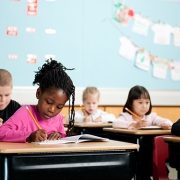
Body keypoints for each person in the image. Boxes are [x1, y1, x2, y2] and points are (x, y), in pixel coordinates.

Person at [0, 59, 75, 142]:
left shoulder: (58, 119)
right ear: (38, 93)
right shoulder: (25, 112)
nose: (52, 109)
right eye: (49, 102)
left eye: (59, 107)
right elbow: (1, 132)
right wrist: (29, 136)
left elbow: (63, 137)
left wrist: (59, 136)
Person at [112, 85, 172, 180]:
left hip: (149, 152)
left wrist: (164, 124)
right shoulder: (126, 116)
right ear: (131, 103)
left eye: (147, 102)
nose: (144, 106)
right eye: (140, 102)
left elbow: (168, 122)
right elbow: (116, 123)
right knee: (141, 162)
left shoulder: (150, 116)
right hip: (136, 153)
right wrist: (134, 125)